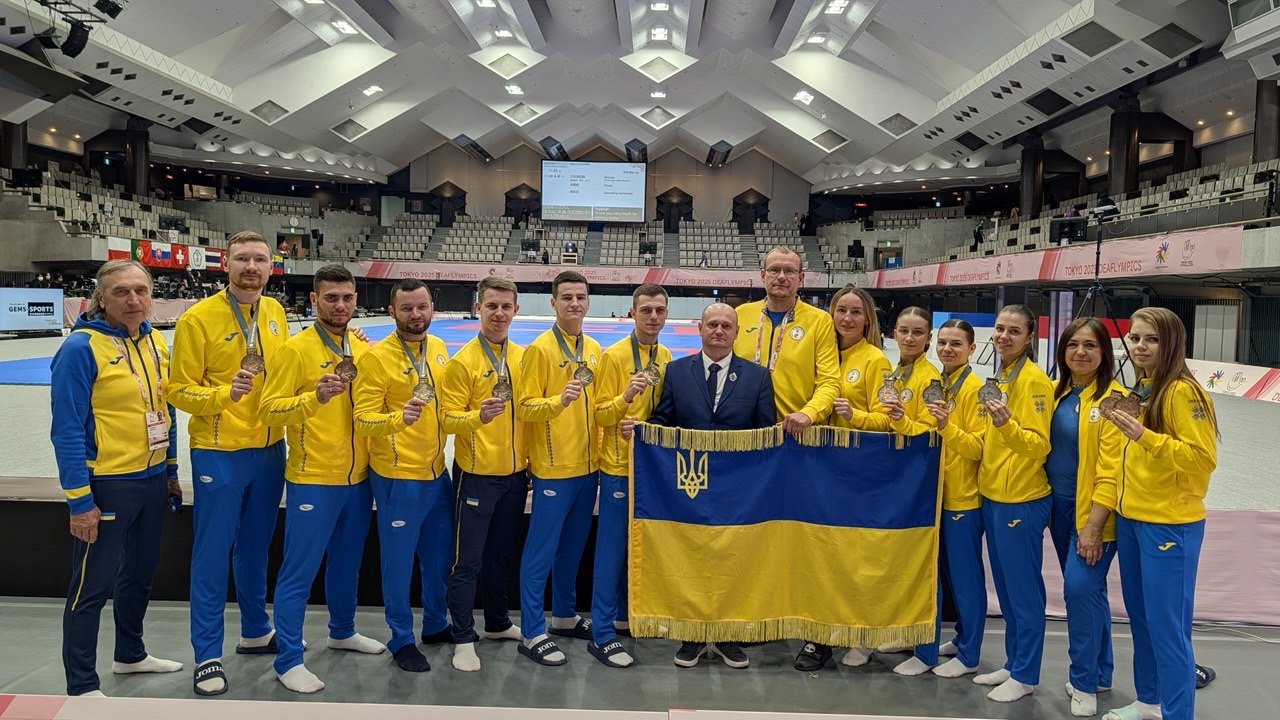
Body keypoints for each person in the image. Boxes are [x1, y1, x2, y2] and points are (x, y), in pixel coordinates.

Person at [50, 259, 183, 697]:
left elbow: (166, 409)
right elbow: (66, 430)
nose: (133, 300)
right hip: (106, 485)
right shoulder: (80, 348)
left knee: (140, 575)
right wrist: (78, 500)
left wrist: (170, 469)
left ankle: (130, 654)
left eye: (141, 291)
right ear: (100, 298)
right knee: (92, 586)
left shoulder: (154, 342)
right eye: (121, 292)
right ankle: (82, 685)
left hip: (149, 481)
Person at [168, 231, 289, 696]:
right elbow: (178, 389)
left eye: (260, 259)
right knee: (212, 552)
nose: (252, 267)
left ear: (271, 266)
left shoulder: (275, 313)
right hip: (218, 450)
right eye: (242, 259)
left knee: (256, 546)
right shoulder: (197, 320)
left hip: (269, 449)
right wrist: (224, 394)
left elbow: (289, 369)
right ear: (226, 264)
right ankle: (207, 654)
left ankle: (256, 629)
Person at [259, 264, 383, 694]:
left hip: (359, 476)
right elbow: (268, 410)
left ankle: (342, 630)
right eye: (331, 297)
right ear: (314, 300)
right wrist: (313, 399)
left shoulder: (363, 350)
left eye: (347, 297)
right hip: (314, 476)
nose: (341, 305)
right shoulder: (294, 351)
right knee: (299, 570)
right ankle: (288, 658)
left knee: (347, 563)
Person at [1097, 307, 1218, 720]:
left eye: (1150, 339)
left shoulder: (1184, 391)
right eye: (1134, 338)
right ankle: (1149, 702)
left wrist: (1145, 437)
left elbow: (1202, 459)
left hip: (1170, 524)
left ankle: (1178, 713)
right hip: (1134, 519)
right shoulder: (1145, 387)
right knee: (1143, 621)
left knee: (1168, 630)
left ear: (1171, 344)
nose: (1140, 346)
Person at [646, 302, 776, 668]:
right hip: (689, 485)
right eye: (712, 325)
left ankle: (726, 634)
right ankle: (692, 634)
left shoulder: (758, 376)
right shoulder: (675, 372)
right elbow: (663, 421)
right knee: (692, 556)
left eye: (726, 326)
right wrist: (641, 432)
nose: (719, 331)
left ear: (736, 332)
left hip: (739, 489)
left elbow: (766, 434)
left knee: (733, 558)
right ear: (699, 329)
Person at [736, 248, 842, 672]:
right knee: (752, 536)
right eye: (774, 270)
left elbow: (830, 380)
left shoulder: (818, 322)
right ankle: (758, 619)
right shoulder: (740, 315)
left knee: (808, 539)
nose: (781, 276)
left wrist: (809, 414)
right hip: (749, 447)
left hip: (801, 445)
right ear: (761, 275)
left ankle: (818, 635)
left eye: (789, 271)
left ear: (802, 278)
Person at [352, 279, 453, 673]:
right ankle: (400, 638)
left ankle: (435, 623)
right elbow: (363, 419)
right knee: (398, 563)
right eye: (408, 308)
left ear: (433, 309)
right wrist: (399, 418)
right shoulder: (377, 359)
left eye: (423, 306)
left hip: (436, 473)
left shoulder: (440, 349)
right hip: (397, 476)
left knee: (437, 557)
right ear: (391, 312)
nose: (416, 315)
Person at [440, 276, 528, 672]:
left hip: (514, 476)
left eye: (505, 306)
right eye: (491, 305)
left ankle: (496, 622)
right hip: (476, 475)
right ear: (479, 308)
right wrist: (478, 416)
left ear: (515, 311)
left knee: (501, 557)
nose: (499, 313)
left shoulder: (524, 358)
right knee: (467, 561)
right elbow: (446, 418)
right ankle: (462, 635)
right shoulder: (463, 362)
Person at [514, 270, 602, 665]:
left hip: (588, 467)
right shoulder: (540, 350)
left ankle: (564, 616)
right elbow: (525, 406)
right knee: (540, 552)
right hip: (553, 468)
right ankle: (532, 630)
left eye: (580, 297)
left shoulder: (595, 348)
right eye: (566, 297)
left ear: (588, 301)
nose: (574, 304)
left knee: (572, 549)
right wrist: (557, 402)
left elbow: (597, 407)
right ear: (553, 302)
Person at [588, 284, 673, 668]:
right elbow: (600, 415)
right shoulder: (614, 356)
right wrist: (623, 400)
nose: (653, 317)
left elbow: (665, 411)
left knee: (639, 549)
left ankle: (625, 618)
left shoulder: (667, 356)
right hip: (618, 468)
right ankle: (601, 633)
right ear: (632, 313)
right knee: (610, 552)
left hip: (650, 470)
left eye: (659, 310)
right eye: (646, 311)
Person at [972, 304, 1054, 703]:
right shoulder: (1002, 373)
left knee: (1024, 593)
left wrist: (1007, 425)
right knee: (1004, 591)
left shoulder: (1035, 381)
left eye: (1013, 331)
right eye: (1000, 329)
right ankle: (1012, 661)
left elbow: (1039, 446)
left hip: (1021, 498)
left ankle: (1026, 675)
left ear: (1029, 337)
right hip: (993, 494)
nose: (1003, 336)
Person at [1048, 318, 1126, 717]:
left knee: (1078, 590)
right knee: (1091, 593)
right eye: (1073, 345)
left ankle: (1083, 683)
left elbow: (1112, 471)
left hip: (1093, 516)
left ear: (1104, 353)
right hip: (1057, 509)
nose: (1081, 352)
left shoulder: (1114, 400)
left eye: (1090, 346)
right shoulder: (1057, 391)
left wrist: (1093, 526)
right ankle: (1101, 671)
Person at [903, 319, 988, 679]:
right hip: (936, 493)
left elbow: (977, 447)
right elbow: (926, 433)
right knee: (939, 577)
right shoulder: (940, 385)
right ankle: (949, 641)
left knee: (965, 580)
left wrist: (945, 427)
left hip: (963, 498)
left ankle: (970, 654)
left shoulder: (976, 389)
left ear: (971, 349)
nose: (948, 349)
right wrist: (897, 420)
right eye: (944, 343)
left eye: (957, 344)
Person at [826, 285, 891, 432]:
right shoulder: (823, 354)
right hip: (820, 448)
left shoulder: (876, 360)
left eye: (856, 312)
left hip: (854, 450)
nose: (847, 318)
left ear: (867, 319)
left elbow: (887, 420)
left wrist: (853, 415)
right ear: (832, 314)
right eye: (841, 310)